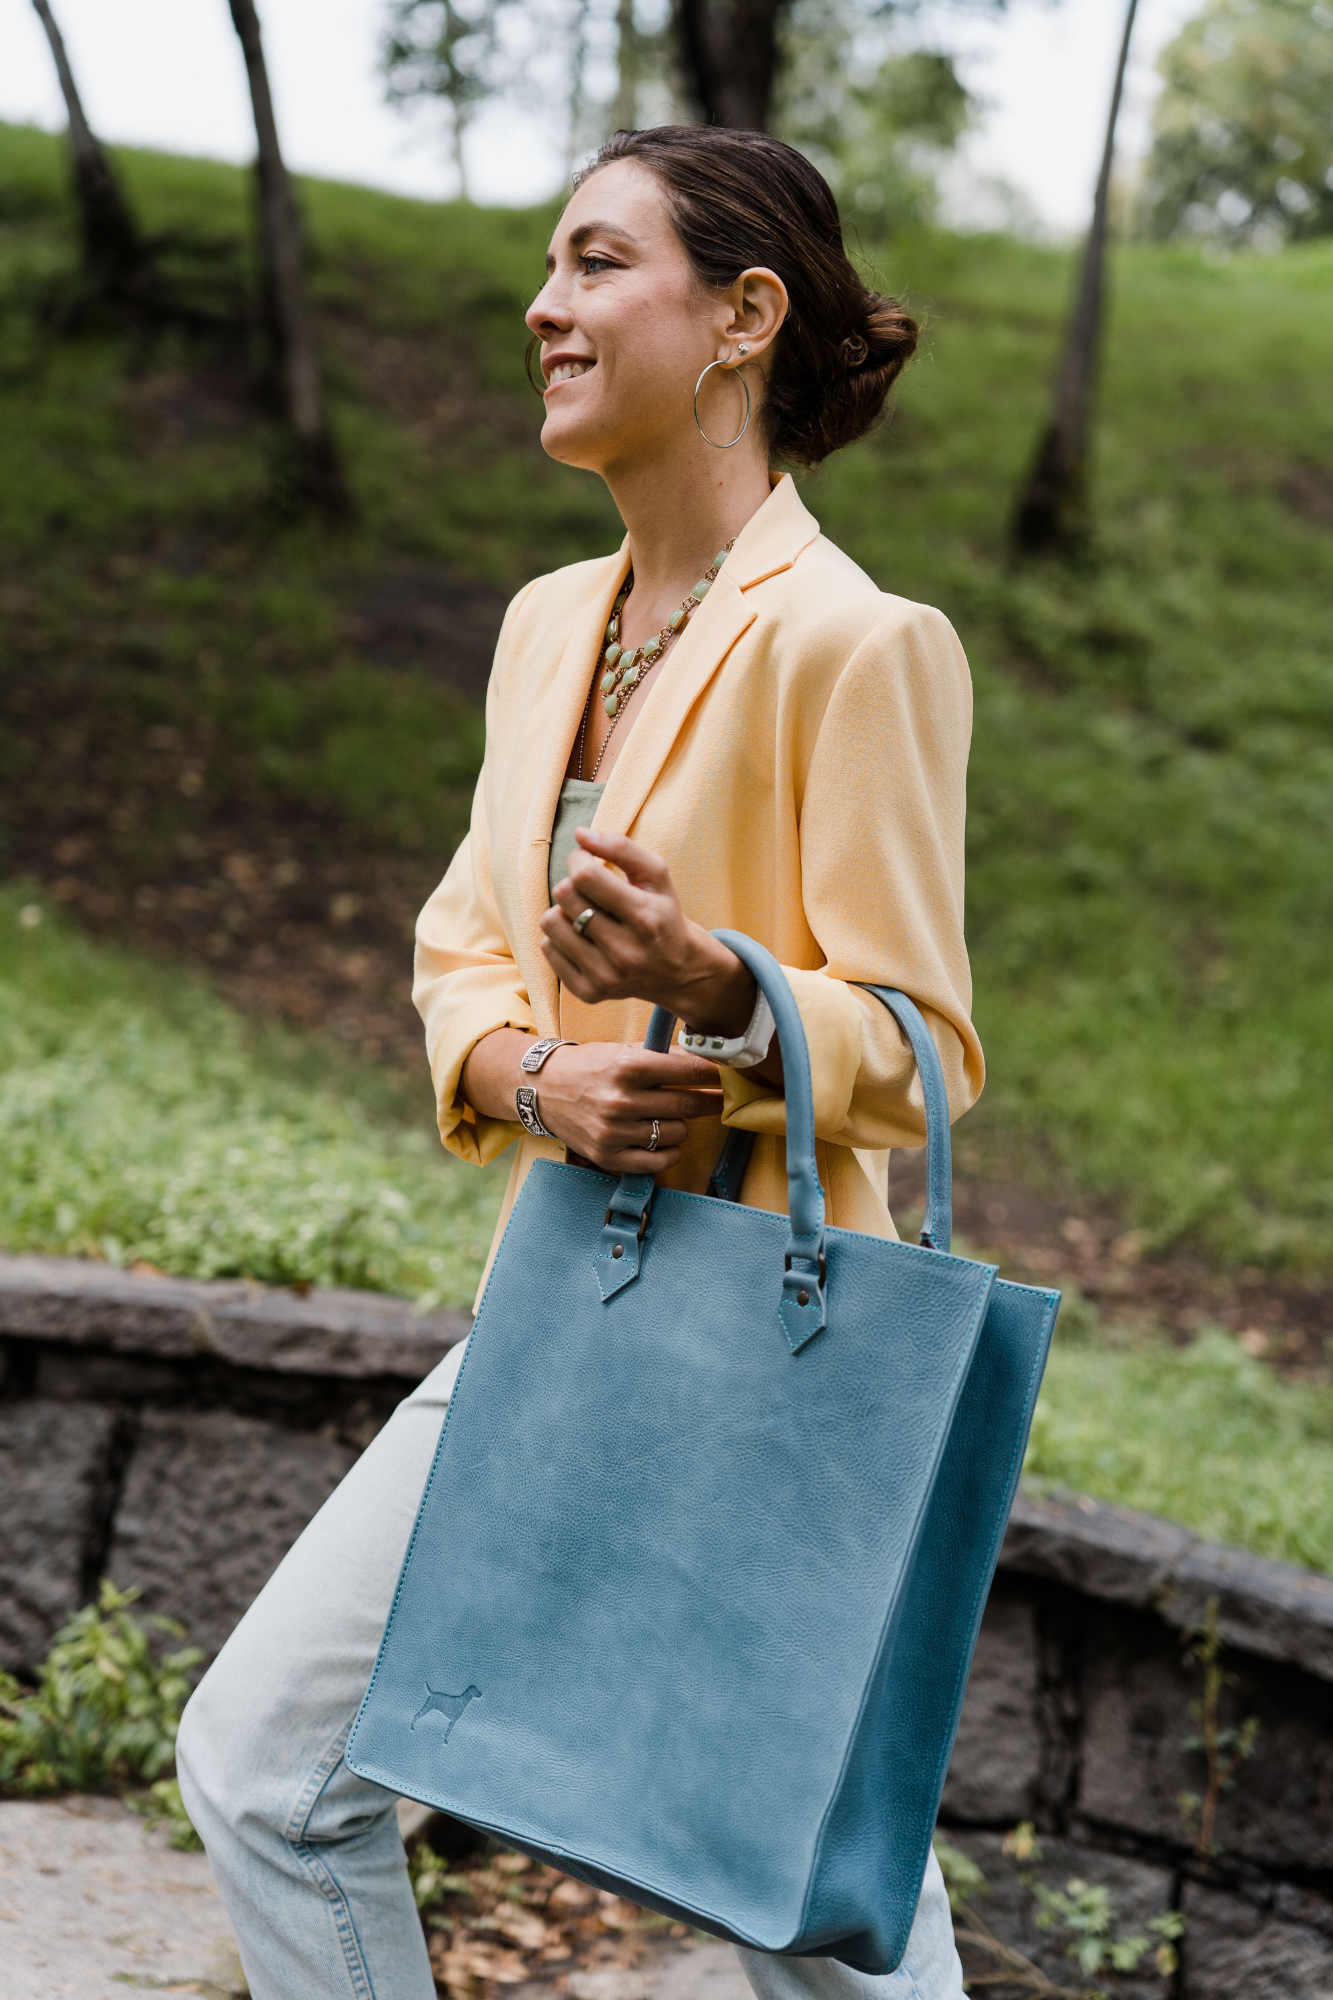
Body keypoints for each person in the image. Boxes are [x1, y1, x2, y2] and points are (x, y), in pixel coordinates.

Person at [177, 124, 983, 2000]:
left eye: (598, 262)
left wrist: (720, 988)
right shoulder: (550, 624)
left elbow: (929, 1041)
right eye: (551, 265)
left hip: (765, 1344)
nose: (544, 305)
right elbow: (468, 932)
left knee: (809, 1899)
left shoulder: (861, 647)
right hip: (559, 1299)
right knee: (269, 1769)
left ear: (741, 318)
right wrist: (535, 1081)